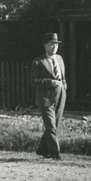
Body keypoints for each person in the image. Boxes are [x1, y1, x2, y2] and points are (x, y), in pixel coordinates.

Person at [31, 32, 67, 160]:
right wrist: (50, 82)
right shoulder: (38, 61)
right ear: (45, 45)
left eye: (56, 44)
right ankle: (55, 154)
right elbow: (34, 81)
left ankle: (42, 150)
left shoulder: (60, 59)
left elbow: (62, 76)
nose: (54, 47)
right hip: (45, 98)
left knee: (55, 125)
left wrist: (63, 86)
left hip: (60, 95)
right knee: (51, 126)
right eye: (51, 44)